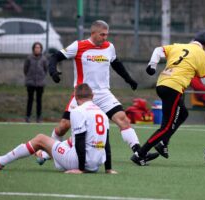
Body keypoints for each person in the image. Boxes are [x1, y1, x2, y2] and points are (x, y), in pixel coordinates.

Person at [38, 20, 158, 164]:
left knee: (123, 119)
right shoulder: (78, 46)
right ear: (93, 33)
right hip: (82, 95)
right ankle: (48, 151)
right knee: (64, 126)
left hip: (103, 94)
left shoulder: (109, 47)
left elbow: (116, 64)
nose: (105, 38)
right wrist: (53, 71)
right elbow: (55, 56)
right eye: (102, 34)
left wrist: (129, 79)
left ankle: (139, 154)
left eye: (107, 35)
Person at [131, 31, 205, 166]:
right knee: (165, 127)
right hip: (174, 88)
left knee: (183, 113)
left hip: (162, 84)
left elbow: (158, 50)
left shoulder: (178, 46)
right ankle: (140, 155)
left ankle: (163, 143)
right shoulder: (201, 54)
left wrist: (152, 65)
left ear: (194, 39)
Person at [0, 83, 116, 174]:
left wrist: (80, 169)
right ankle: (43, 155)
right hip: (96, 165)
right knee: (71, 140)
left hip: (81, 164)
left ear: (75, 97)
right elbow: (106, 143)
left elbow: (80, 141)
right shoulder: (102, 113)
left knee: (40, 139)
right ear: (92, 97)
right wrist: (108, 169)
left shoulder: (78, 111)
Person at [24, 42, 48, 123]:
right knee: (30, 100)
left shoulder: (44, 59)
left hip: (40, 83)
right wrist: (29, 78)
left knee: (39, 101)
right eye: (36, 47)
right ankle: (28, 116)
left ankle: (39, 117)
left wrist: (41, 78)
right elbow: (25, 69)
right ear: (33, 49)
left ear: (41, 49)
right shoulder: (29, 58)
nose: (37, 49)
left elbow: (45, 69)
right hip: (30, 83)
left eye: (39, 48)